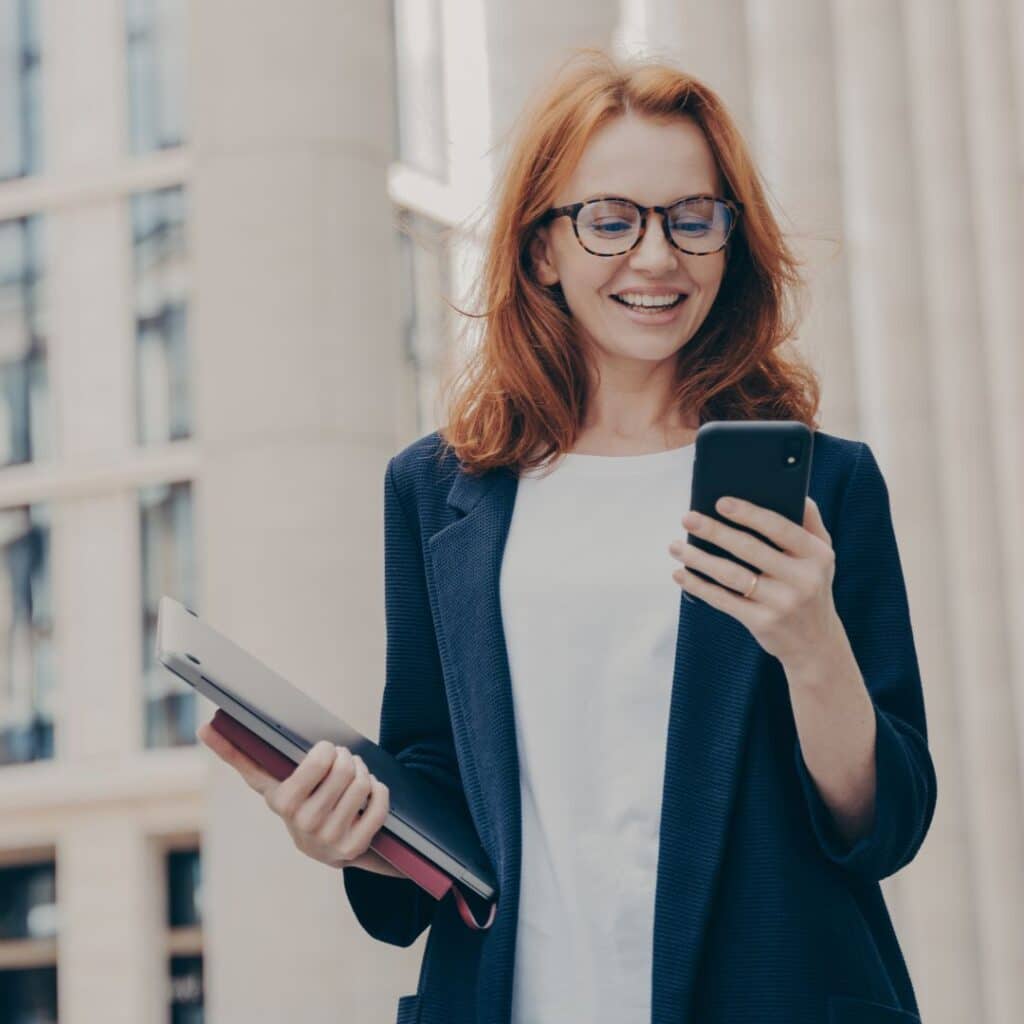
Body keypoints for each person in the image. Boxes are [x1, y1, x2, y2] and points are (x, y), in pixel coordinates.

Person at [199, 46, 936, 1024]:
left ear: (731, 238)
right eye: (610, 220)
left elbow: (880, 826)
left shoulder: (825, 484)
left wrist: (812, 649)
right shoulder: (437, 493)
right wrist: (352, 829)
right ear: (542, 248)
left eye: (692, 218)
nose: (656, 256)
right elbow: (434, 772)